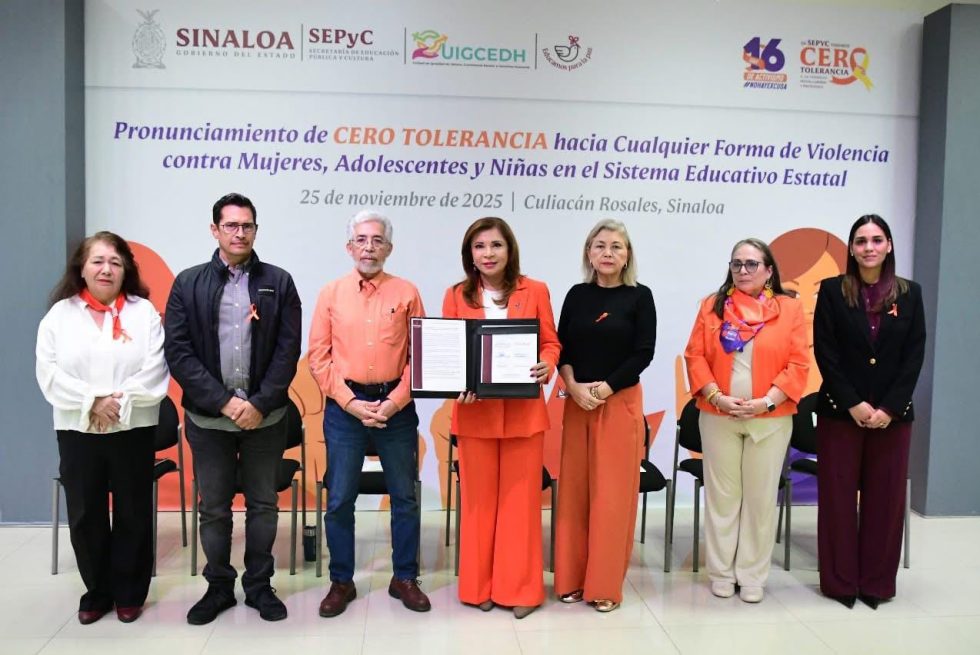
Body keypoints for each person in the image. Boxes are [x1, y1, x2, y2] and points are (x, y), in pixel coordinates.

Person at [165, 193, 301, 624]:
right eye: (231, 226)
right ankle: (219, 587)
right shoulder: (188, 283)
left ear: (256, 230)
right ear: (215, 230)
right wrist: (224, 401)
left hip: (266, 417)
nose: (239, 233)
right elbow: (179, 352)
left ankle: (259, 586)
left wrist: (258, 403)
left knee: (263, 504)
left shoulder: (279, 281)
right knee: (214, 508)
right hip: (209, 419)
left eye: (247, 226)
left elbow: (288, 350)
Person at [36, 231, 169, 625]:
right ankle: (97, 591)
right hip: (78, 429)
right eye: (97, 261)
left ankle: (129, 592)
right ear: (81, 268)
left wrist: (116, 404)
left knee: (133, 511)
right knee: (85, 512)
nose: (106, 269)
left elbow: (155, 368)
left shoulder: (144, 313)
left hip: (133, 426)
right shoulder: (59, 315)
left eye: (115, 262)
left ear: (126, 269)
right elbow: (48, 372)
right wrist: (92, 400)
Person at [308, 209, 430, 617]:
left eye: (377, 240)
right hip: (346, 408)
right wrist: (350, 403)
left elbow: (420, 356)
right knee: (340, 498)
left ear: (389, 248)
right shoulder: (331, 294)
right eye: (361, 240)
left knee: (405, 497)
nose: (369, 247)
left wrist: (394, 401)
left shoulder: (407, 292)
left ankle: (404, 577)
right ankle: (341, 581)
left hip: (397, 406)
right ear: (349, 247)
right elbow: (319, 357)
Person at [442, 216, 560, 619]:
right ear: (469, 254)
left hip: (524, 414)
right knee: (477, 506)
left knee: (520, 505)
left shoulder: (536, 289)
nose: (488, 254)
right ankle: (479, 587)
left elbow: (551, 342)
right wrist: (455, 382)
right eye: (479, 246)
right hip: (475, 414)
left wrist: (547, 363)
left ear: (510, 250)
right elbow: (449, 350)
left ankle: (521, 589)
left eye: (495, 245)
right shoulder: (455, 295)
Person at [683, 238, 808, 603]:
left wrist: (766, 402)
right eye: (736, 263)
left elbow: (798, 363)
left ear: (769, 271)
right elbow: (694, 356)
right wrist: (716, 396)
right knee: (723, 499)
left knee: (759, 499)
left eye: (752, 264)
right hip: (718, 414)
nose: (743, 270)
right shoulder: (712, 306)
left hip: (770, 418)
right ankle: (722, 572)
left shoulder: (789, 308)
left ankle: (752, 575)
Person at [813, 214, 925, 610]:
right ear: (851, 248)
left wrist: (890, 407)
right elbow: (825, 352)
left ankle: (877, 583)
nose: (869, 247)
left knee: (886, 501)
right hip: (841, 413)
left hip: (892, 417)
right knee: (837, 499)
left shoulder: (910, 293)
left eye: (877, 240)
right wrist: (853, 402)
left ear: (889, 246)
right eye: (861, 241)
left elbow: (914, 355)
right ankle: (840, 582)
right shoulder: (832, 290)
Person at [554, 219, 656, 612]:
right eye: (600, 246)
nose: (608, 253)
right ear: (589, 253)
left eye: (616, 246)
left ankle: (604, 585)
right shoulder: (577, 295)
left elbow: (643, 352)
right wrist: (573, 386)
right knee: (575, 494)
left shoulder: (640, 297)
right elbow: (561, 348)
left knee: (612, 498)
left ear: (627, 255)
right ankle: (571, 579)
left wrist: (604, 389)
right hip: (577, 402)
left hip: (619, 403)